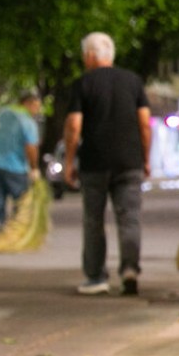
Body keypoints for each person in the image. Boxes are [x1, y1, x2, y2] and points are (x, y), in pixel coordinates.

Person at [63, 32, 150, 296]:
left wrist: (69, 161)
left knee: (93, 220)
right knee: (130, 218)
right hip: (129, 162)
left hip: (94, 162)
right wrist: (145, 158)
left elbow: (74, 126)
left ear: (89, 56)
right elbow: (145, 124)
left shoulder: (82, 84)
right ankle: (130, 270)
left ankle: (96, 277)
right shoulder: (133, 82)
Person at [0, 90, 42, 237]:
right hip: (14, 166)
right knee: (20, 199)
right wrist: (34, 168)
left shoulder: (1, 113)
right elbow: (31, 147)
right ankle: (16, 232)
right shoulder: (26, 120)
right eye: (36, 106)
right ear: (27, 104)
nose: (37, 110)